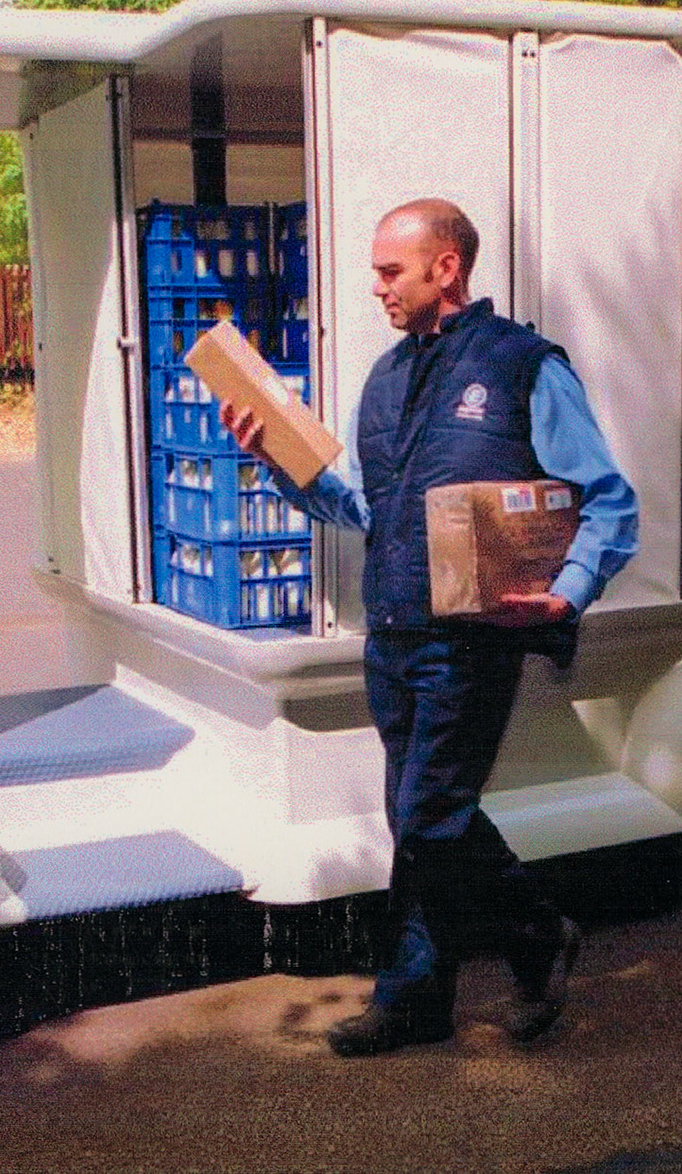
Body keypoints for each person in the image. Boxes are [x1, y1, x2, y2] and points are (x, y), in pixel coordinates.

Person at [221, 198, 638, 1056]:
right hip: (395, 633)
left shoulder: (524, 366)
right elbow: (365, 508)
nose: (376, 287)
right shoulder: (386, 376)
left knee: (430, 814)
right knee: (415, 820)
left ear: (446, 267)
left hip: (473, 639)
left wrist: (566, 591)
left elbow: (608, 497)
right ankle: (416, 998)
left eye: (390, 270)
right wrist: (276, 458)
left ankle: (534, 933)